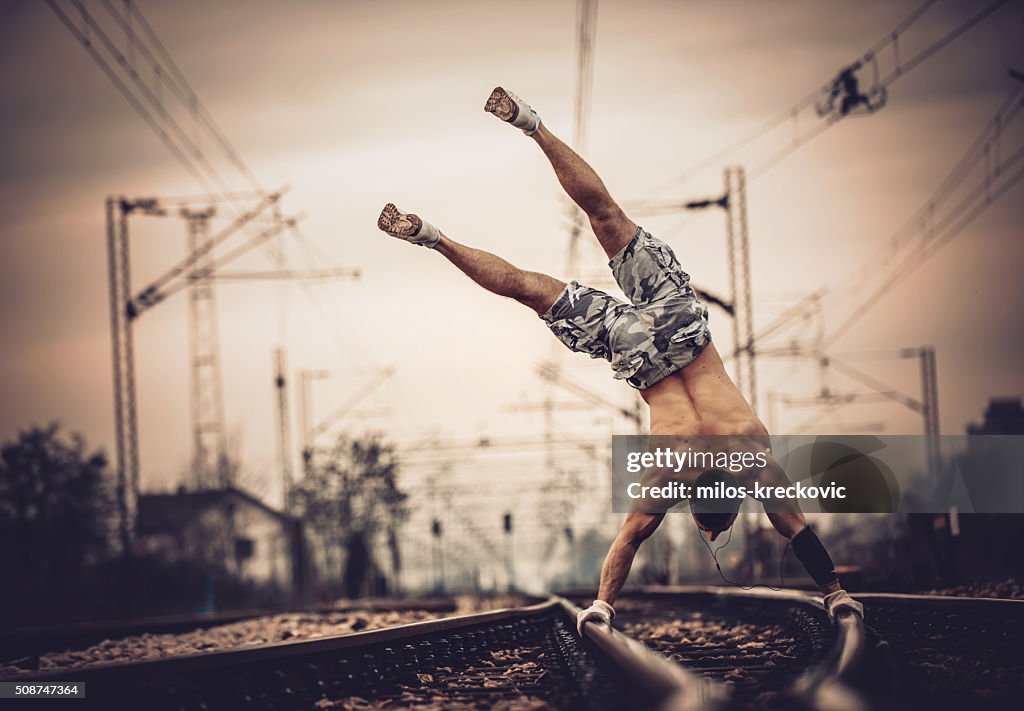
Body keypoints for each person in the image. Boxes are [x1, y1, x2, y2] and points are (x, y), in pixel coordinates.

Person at [377, 87, 863, 633]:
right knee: (527, 288)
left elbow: (794, 529)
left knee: (604, 216)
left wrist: (836, 591)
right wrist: (600, 606)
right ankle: (431, 237)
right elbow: (640, 538)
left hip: (678, 324)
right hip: (636, 351)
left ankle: (529, 124)